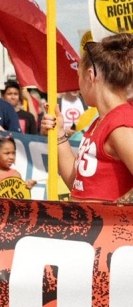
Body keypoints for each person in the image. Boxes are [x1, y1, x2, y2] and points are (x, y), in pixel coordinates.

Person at [41, 33, 133, 201]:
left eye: (78, 76)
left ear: (90, 76)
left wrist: (117, 211)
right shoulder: (102, 121)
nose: (79, 85)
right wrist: (59, 134)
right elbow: (76, 184)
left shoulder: (121, 124)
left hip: (107, 227)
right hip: (89, 226)